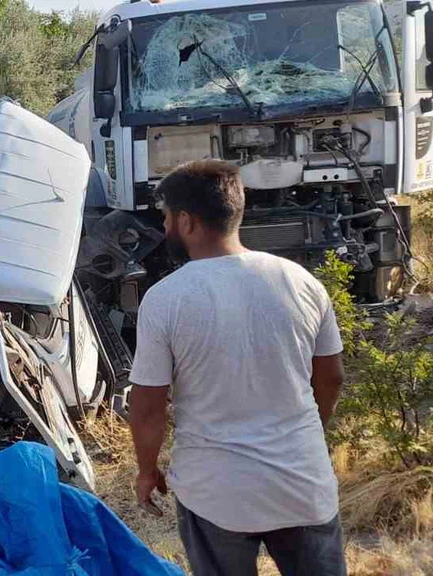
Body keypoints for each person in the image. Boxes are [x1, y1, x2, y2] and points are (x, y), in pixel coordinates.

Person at [128, 160, 346, 576]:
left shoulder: (166, 298)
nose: (165, 226)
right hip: (302, 484)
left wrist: (146, 470)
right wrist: (303, 435)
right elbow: (331, 377)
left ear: (187, 221)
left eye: (166, 217)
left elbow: (148, 404)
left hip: (216, 494)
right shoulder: (301, 281)